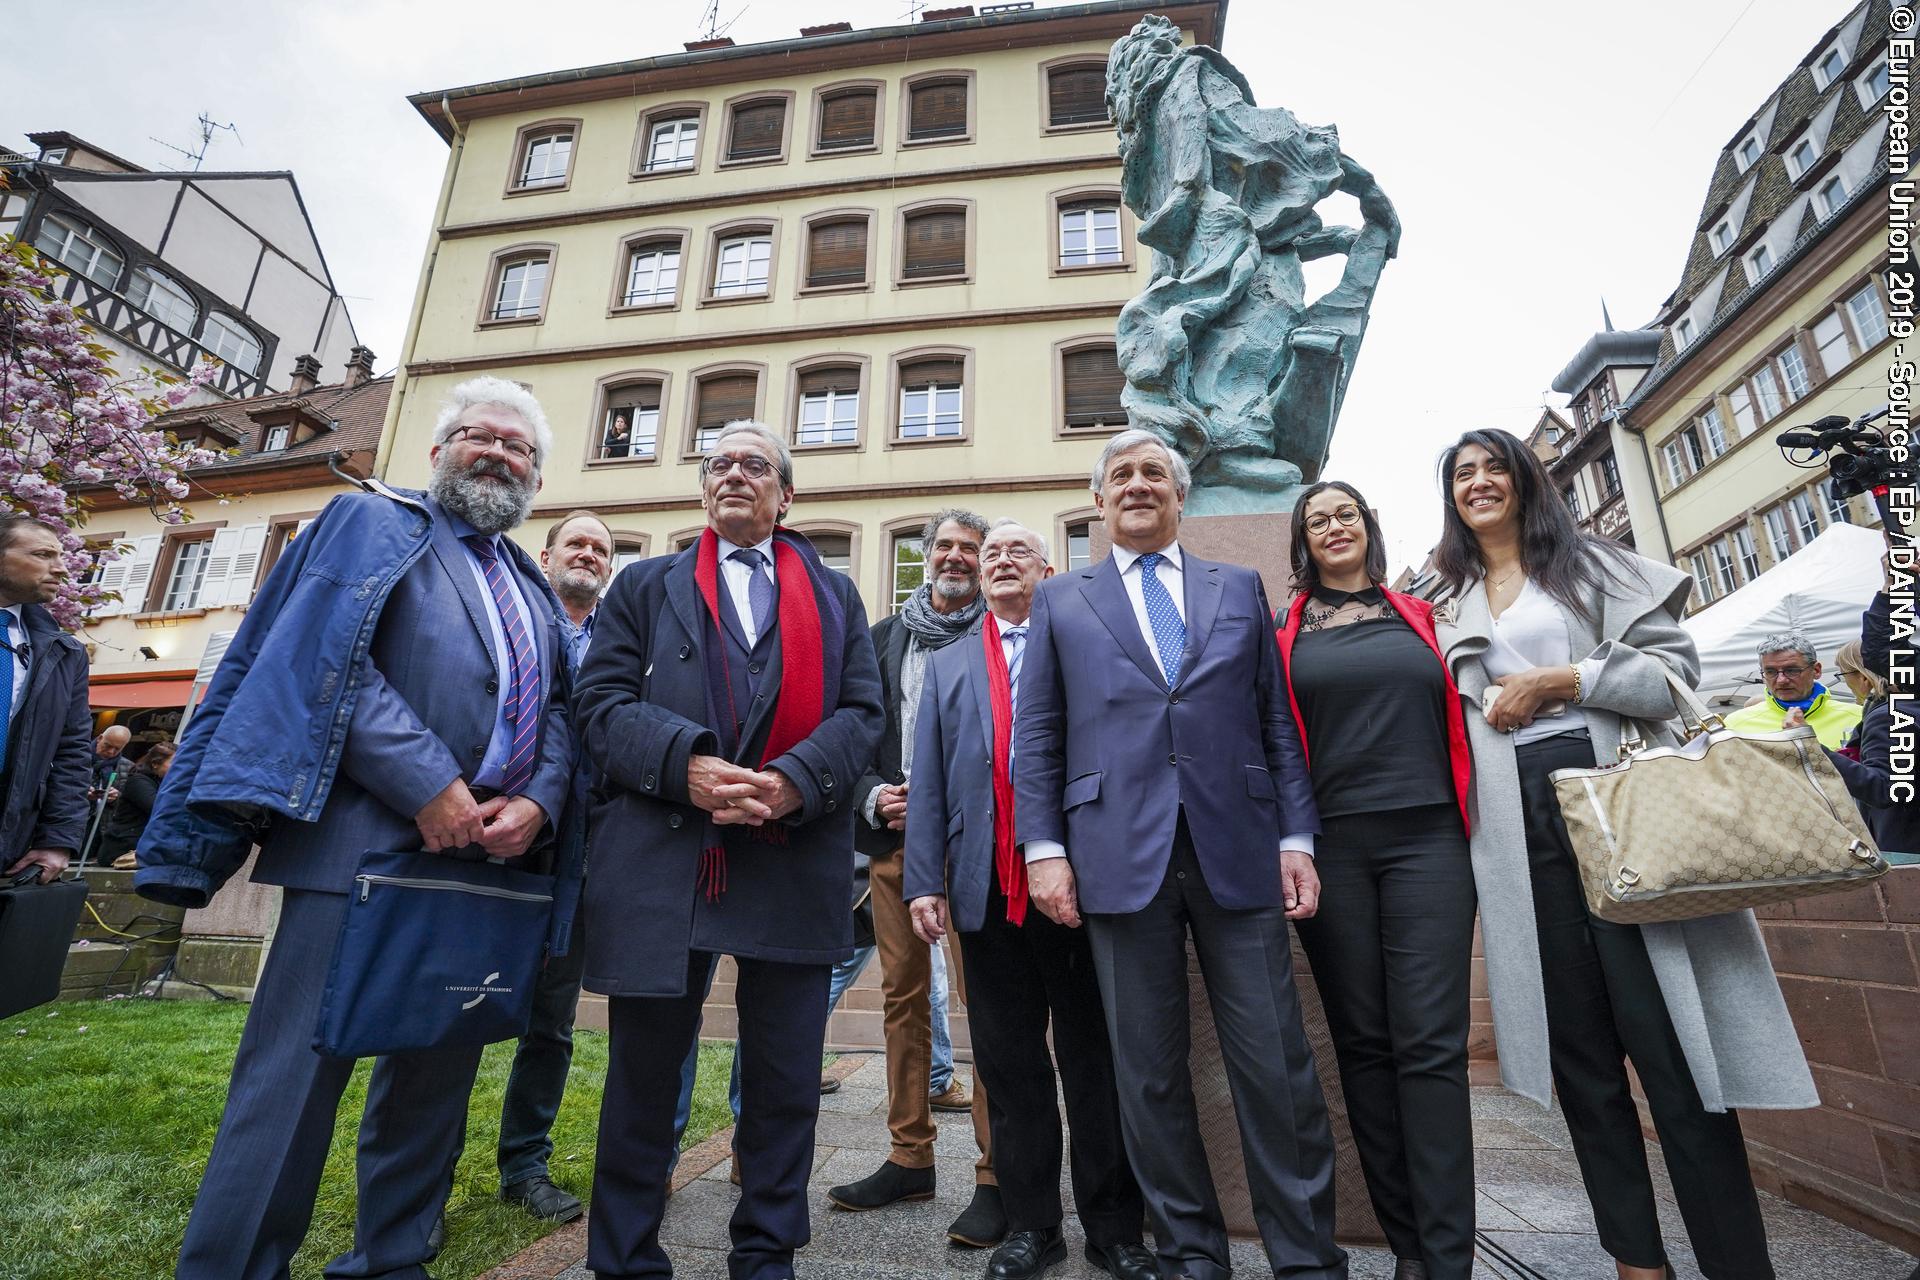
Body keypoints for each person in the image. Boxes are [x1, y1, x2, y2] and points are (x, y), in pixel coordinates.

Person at [135, 375, 582, 1279]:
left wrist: (537, 799)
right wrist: (431, 782)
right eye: (478, 436)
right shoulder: (373, 522)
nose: (497, 452)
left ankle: (392, 1260)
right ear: (437, 450)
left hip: (484, 871)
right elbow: (328, 658)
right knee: (292, 1085)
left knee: (435, 1083)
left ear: (537, 473)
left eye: (518, 446)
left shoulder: (530, 584)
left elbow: (563, 713)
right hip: (360, 851)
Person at [1430, 428, 1815, 1280]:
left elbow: (1673, 672)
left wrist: (1559, 681)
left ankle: (1736, 1261)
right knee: (1583, 1063)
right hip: (1517, 825)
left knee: (1674, 1051)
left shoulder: (1593, 566)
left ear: (1527, 479)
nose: (1481, 481)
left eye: (1496, 466)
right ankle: (1636, 1261)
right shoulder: (1448, 596)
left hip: (1616, 800)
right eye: (1463, 473)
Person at [1014, 428, 1345, 1280]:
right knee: (1150, 1073)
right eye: (1119, 474)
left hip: (1238, 848)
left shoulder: (1238, 588)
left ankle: (1306, 1256)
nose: (1136, 484)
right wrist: (1045, 851)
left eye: (1153, 472)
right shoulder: (1062, 601)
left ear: (1179, 495)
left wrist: (1296, 838)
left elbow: (1276, 723)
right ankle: (1191, 1251)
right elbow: (1038, 736)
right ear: (1098, 501)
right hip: (1113, 856)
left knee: (1276, 1064)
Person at [574, 420, 883, 1280]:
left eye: (755, 464)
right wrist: (689, 767)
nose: (734, 474)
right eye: (719, 464)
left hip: (789, 851)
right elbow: (598, 708)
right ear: (702, 488)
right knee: (643, 1079)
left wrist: (792, 781)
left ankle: (765, 1255)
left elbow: (863, 715)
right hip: (671, 852)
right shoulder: (643, 584)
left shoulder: (836, 596)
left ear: (788, 496)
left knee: (784, 1082)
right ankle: (626, 1258)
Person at [905, 518, 1154, 1280]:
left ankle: (1115, 1229)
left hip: (1075, 886)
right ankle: (1030, 1226)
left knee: (1093, 1061)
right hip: (984, 891)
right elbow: (931, 781)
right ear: (978, 578)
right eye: (992, 555)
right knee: (1009, 1069)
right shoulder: (949, 667)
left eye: (1020, 551)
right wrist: (923, 880)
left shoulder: (1079, 643)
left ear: (1048, 571)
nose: (1002, 561)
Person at [1273, 483, 1475, 1280]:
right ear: (1303, 541)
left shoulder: (1422, 612)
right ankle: (1410, 1249)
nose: (1333, 526)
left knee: (1430, 1045)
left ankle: (1449, 1252)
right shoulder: (1282, 632)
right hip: (1334, 848)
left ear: (1368, 528)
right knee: (1363, 1045)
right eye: (1317, 519)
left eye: (1345, 513)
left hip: (1430, 839)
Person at [828, 508, 1001, 1246]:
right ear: (926, 556)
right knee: (904, 998)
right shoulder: (881, 639)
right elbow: (854, 731)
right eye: (946, 546)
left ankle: (997, 1174)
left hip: (979, 848)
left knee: (988, 1003)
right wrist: (872, 793)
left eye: (971, 548)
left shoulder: (1000, 634)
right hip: (897, 844)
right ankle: (910, 1156)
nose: (957, 557)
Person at [472, 509, 613, 1229]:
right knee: (455, 1010)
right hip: (498, 842)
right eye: (576, 543)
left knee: (552, 1024)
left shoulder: (618, 639)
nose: (587, 554)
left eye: (600, 549)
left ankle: (524, 1163)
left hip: (578, 858)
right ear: (546, 555)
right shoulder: (513, 619)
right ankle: (419, 1175)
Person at [0, 514, 91, 887]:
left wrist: (57, 840)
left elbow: (73, 752)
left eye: (61, 556)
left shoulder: (64, 653)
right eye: (42, 555)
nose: (61, 569)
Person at [1798, 639, 1918, 854]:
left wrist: (1811, 746)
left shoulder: (1888, 717)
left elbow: (1884, 788)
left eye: (1843, 675)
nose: (1845, 683)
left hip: (1907, 848)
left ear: (1863, 677)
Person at [1722, 632, 1862, 748]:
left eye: (1792, 670)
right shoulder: (1734, 726)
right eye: (1771, 672)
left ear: (1816, 670)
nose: (1781, 680)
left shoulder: (1860, 718)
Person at [102, 742, 176, 869]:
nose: (178, 768)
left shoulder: (161, 783)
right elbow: (158, 809)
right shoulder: (138, 781)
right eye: (174, 763)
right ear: (155, 764)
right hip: (124, 847)